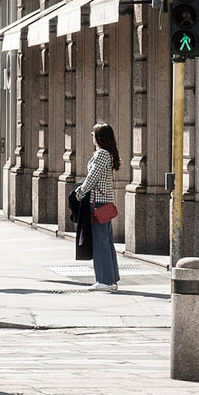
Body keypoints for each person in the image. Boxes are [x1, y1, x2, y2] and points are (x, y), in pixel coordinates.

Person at [75, 122, 122, 291]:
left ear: (99, 137)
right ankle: (111, 280)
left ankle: (104, 281)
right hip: (104, 202)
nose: (91, 136)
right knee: (106, 241)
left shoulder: (102, 154)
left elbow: (92, 177)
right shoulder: (107, 153)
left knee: (101, 242)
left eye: (93, 134)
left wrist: (80, 191)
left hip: (98, 203)